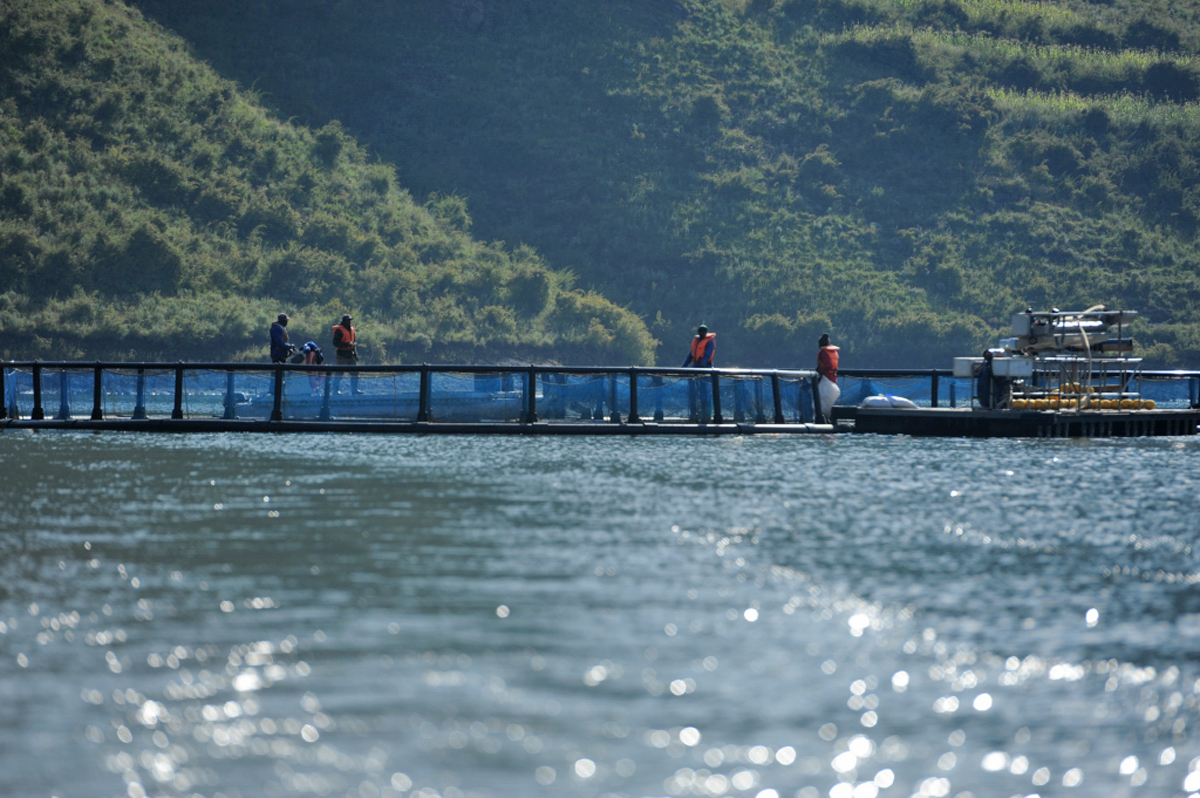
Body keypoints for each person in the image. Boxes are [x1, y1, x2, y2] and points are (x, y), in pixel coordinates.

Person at [683, 324, 715, 421]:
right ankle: (693, 413)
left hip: (705, 367)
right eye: (700, 331)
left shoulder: (710, 342)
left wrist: (703, 365)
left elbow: (707, 354)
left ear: (706, 332)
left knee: (704, 390)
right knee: (692, 390)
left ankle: (706, 414)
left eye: (704, 332)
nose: (702, 333)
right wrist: (683, 367)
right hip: (696, 366)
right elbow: (690, 355)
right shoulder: (696, 342)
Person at [332, 314, 361, 394]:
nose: (349, 322)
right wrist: (346, 345)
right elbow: (335, 343)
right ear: (344, 321)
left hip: (350, 354)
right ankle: (335, 390)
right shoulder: (339, 330)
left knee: (355, 372)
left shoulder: (352, 330)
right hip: (341, 354)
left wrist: (355, 355)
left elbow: (353, 343)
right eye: (348, 320)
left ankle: (354, 390)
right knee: (339, 373)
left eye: (350, 320)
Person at [815, 333, 840, 423]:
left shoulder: (823, 352)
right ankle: (829, 417)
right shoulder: (833, 352)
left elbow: (828, 365)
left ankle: (822, 417)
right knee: (827, 399)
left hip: (825, 378)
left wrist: (819, 371)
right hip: (832, 378)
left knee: (821, 397)